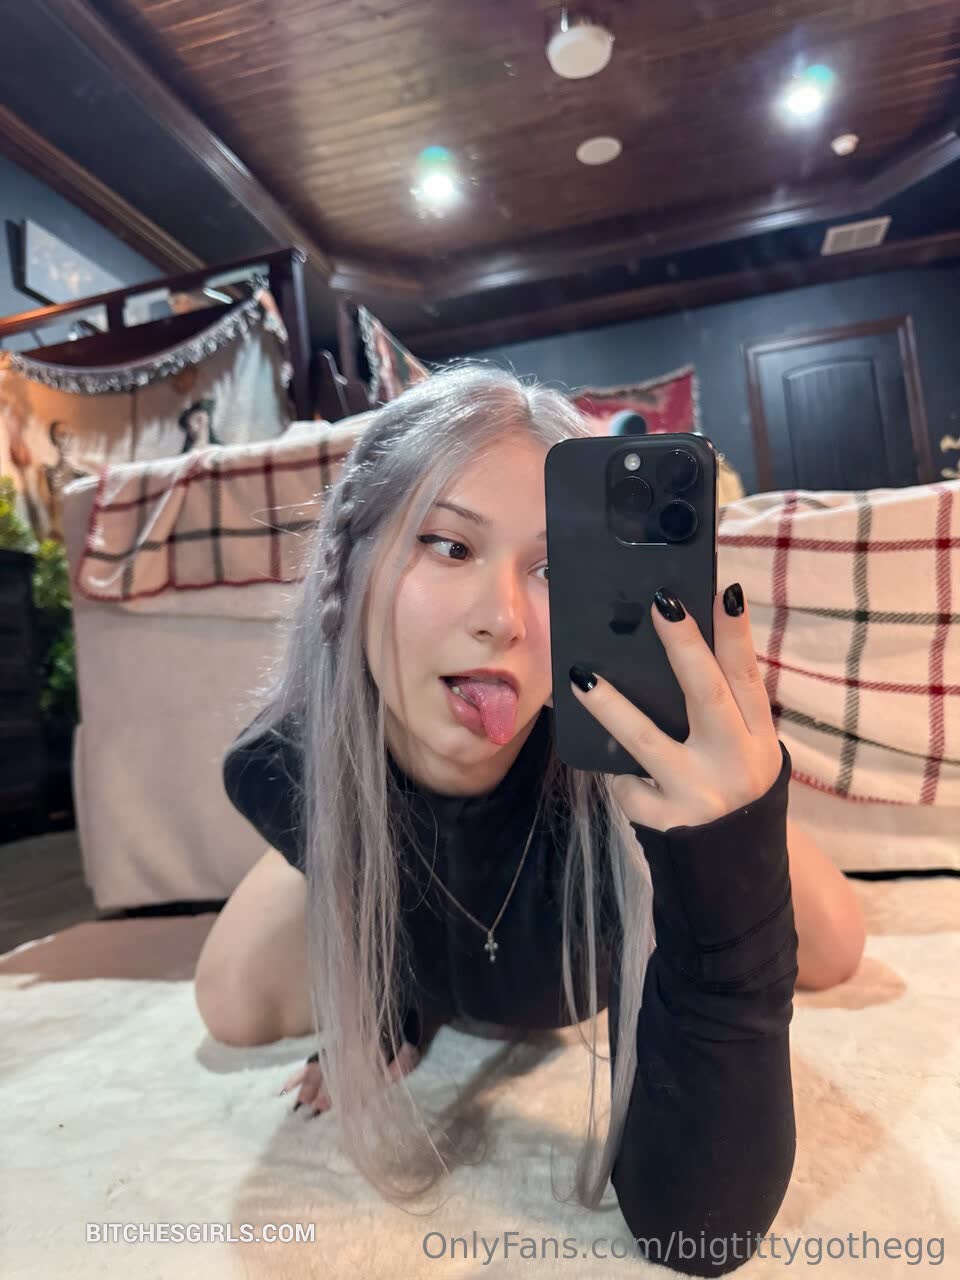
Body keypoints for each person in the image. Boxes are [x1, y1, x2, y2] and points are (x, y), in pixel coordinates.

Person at [194, 365, 864, 1275]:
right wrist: (381, 999)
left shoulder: (609, 799)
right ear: (349, 567)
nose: (502, 620)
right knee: (230, 1002)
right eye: (449, 545)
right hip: (353, 795)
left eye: (551, 568)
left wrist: (730, 837)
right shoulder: (278, 768)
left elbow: (699, 1225)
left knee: (833, 946)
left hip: (603, 833)